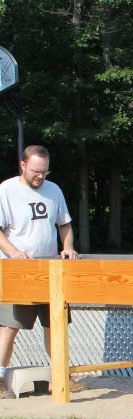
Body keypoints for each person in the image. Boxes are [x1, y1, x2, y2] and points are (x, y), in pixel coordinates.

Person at [0, 145, 81, 398]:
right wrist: (14, 252)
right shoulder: (6, 190)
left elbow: (64, 224)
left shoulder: (54, 190)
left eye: (44, 172)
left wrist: (68, 248)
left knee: (55, 326)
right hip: (18, 271)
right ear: (22, 165)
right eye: (36, 171)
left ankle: (62, 377)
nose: (40, 176)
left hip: (51, 271)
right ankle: (0, 378)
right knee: (8, 327)